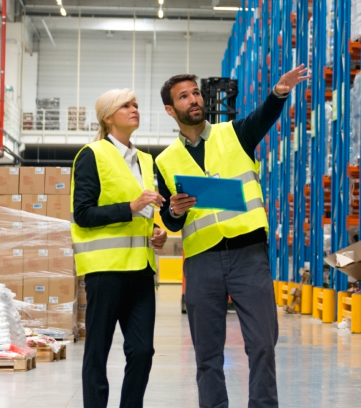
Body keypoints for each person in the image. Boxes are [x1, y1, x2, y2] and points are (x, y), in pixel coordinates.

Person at [155, 64, 309, 408]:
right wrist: (175, 211)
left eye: (195, 93)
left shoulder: (234, 133)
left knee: (263, 343)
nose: (194, 100)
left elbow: (263, 117)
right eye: (184, 96)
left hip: (248, 255)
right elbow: (170, 221)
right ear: (170, 109)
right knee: (207, 353)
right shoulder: (164, 161)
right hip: (201, 262)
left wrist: (279, 93)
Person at [71, 89, 167, 408]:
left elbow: (144, 215)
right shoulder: (92, 154)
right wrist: (130, 206)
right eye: (126, 106)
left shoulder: (146, 160)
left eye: (136, 105)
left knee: (142, 351)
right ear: (108, 117)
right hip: (106, 270)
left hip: (141, 270)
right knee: (97, 350)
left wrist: (156, 232)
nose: (134, 109)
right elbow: (83, 214)